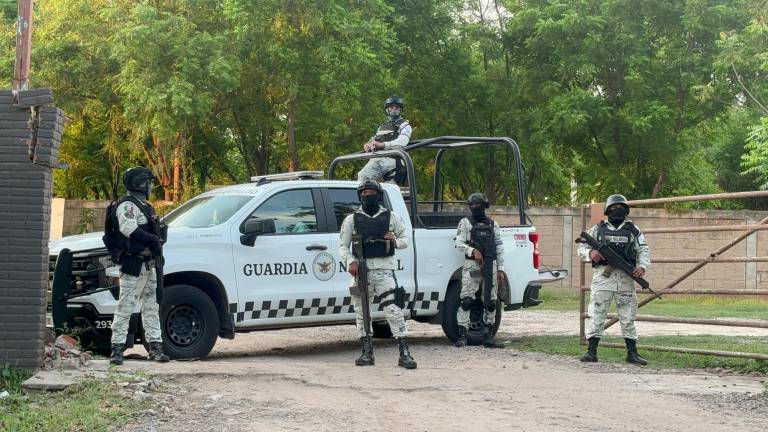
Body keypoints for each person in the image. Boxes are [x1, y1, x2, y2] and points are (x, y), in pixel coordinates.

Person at [338, 180, 417, 369]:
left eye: (371, 192)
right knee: (362, 313)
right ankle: (367, 352)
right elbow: (343, 246)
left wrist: (395, 240)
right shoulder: (352, 219)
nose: (368, 195)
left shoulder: (391, 217)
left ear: (378, 194)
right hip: (361, 272)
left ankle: (404, 352)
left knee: (393, 310)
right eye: (364, 192)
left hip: (384, 270)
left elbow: (406, 239)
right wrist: (351, 262)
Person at [577, 194, 651, 365]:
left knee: (628, 316)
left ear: (626, 210)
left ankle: (632, 353)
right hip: (603, 278)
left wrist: (642, 267)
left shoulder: (633, 230)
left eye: (621, 208)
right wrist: (590, 253)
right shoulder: (598, 229)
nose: (617, 210)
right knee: (597, 314)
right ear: (607, 210)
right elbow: (581, 246)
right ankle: (591, 352)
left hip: (626, 278)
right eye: (613, 207)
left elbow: (643, 250)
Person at [109, 166, 170, 365]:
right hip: (133, 263)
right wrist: (152, 239)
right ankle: (117, 348)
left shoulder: (144, 205)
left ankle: (156, 347)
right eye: (149, 183)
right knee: (126, 305)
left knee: (151, 306)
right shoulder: (127, 206)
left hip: (149, 264)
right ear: (140, 183)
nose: (151, 186)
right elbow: (128, 228)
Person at [453, 192, 506, 348]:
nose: (474, 207)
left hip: (491, 266)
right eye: (471, 205)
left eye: (477, 204)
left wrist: (500, 269)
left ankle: (488, 336)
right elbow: (459, 243)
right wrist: (472, 251)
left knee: (490, 301)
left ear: (484, 206)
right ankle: (462, 335)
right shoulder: (465, 222)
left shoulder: (492, 224)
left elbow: (499, 247)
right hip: (474, 267)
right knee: (468, 300)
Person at [357, 95, 413, 184]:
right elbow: (373, 139)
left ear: (400, 109)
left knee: (390, 188)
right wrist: (367, 145)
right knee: (363, 177)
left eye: (397, 107)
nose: (394, 109)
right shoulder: (382, 126)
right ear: (387, 109)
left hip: (394, 161)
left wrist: (383, 145)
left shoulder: (405, 125)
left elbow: (403, 141)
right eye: (391, 106)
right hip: (377, 159)